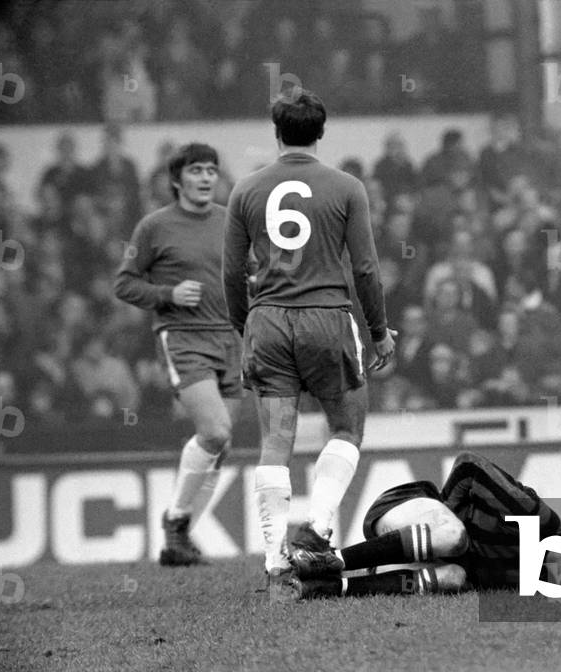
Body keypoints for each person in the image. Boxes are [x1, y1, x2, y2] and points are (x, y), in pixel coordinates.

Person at [222, 88, 396, 597]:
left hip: (269, 322)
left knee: (276, 441)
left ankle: (276, 560)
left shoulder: (245, 190)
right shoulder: (345, 187)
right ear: (322, 132)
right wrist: (380, 331)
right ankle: (317, 532)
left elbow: (233, 271)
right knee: (346, 428)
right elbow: (364, 267)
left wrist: (244, 326)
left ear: (277, 134)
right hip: (326, 319)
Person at [114, 142, 243, 566]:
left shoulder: (230, 222)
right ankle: (175, 522)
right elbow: (125, 284)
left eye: (211, 170)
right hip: (182, 336)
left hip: (230, 339)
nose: (206, 177)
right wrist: (168, 293)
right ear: (176, 180)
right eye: (196, 170)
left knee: (221, 448)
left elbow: (247, 275)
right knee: (216, 431)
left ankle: (178, 537)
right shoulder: (154, 227)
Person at [294, 451, 561, 598]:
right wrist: (448, 512)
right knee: (454, 538)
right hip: (406, 507)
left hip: (423, 553)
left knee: (455, 577)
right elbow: (469, 466)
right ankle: (330, 560)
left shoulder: (534, 582)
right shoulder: (533, 517)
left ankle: (328, 588)